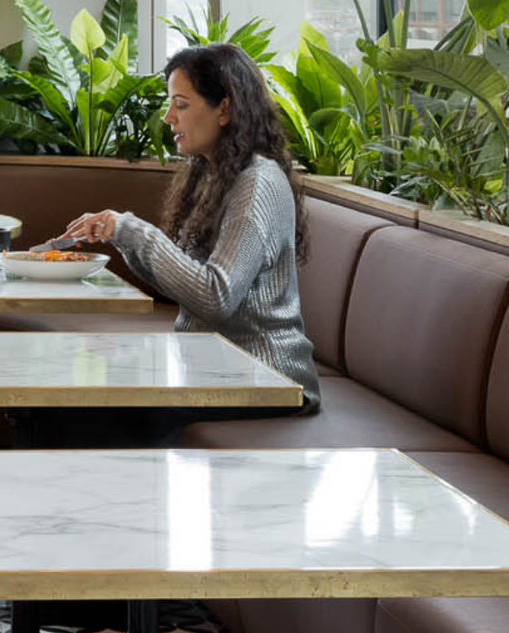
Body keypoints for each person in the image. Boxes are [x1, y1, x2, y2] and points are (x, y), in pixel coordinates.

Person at [62, 40, 321, 433]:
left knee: (91, 407)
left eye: (180, 105)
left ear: (225, 108)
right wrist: (121, 238)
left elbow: (216, 297)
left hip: (267, 378)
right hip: (214, 366)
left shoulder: (257, 184)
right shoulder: (214, 171)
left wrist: (134, 231)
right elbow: (187, 288)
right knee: (75, 392)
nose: (168, 117)